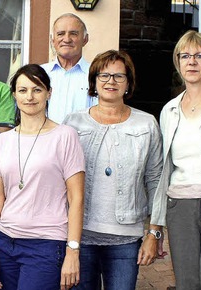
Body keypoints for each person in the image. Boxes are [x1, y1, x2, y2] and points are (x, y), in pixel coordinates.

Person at [62, 50, 164, 290]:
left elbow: (155, 180)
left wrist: (154, 233)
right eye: (104, 75)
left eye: (119, 76)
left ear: (128, 83)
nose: (111, 81)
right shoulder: (73, 122)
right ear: (94, 82)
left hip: (126, 238)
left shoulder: (146, 123)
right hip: (81, 235)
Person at [0, 64, 85, 290]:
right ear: (14, 95)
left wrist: (73, 250)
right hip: (5, 242)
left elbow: (76, 197)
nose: (29, 97)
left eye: (37, 90)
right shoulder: (2, 141)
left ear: (49, 93)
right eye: (22, 90)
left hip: (46, 244)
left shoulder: (65, 136)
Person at [150, 30, 201, 290]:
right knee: (187, 283)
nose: (192, 62)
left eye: (199, 55)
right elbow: (165, 169)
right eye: (185, 56)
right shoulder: (169, 110)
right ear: (178, 62)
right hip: (180, 206)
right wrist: (156, 224)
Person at [42, 13, 96, 124]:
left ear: (85, 39)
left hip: (84, 140)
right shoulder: (40, 73)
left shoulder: (97, 75)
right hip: (45, 140)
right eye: (60, 34)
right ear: (53, 40)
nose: (66, 39)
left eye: (73, 34)